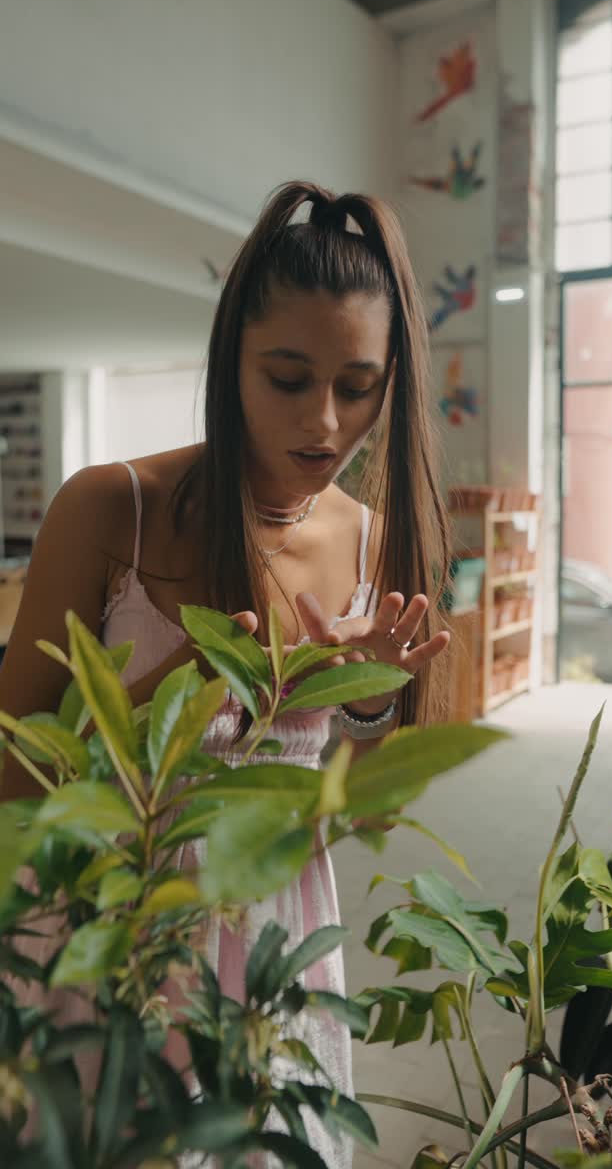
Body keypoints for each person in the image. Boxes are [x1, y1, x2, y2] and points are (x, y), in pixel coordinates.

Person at [0, 180, 452, 1166]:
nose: (327, 423)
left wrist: (365, 695)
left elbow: (330, 764)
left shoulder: (366, 534)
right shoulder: (109, 507)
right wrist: (178, 688)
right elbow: (11, 777)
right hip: (107, 920)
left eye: (358, 384)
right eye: (287, 377)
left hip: (271, 928)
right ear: (229, 361)